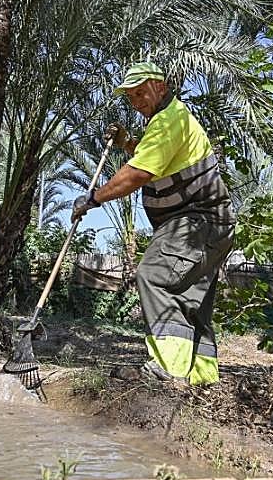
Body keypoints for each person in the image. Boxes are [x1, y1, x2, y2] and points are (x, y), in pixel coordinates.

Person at [71, 61, 235, 385]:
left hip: (195, 221)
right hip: (214, 226)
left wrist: (93, 198)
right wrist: (126, 142)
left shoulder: (168, 120)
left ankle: (168, 371)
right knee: (192, 301)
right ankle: (202, 378)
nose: (136, 102)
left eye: (140, 93)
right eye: (130, 97)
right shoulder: (170, 121)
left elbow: (139, 172)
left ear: (159, 86)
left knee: (153, 276)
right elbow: (152, 155)